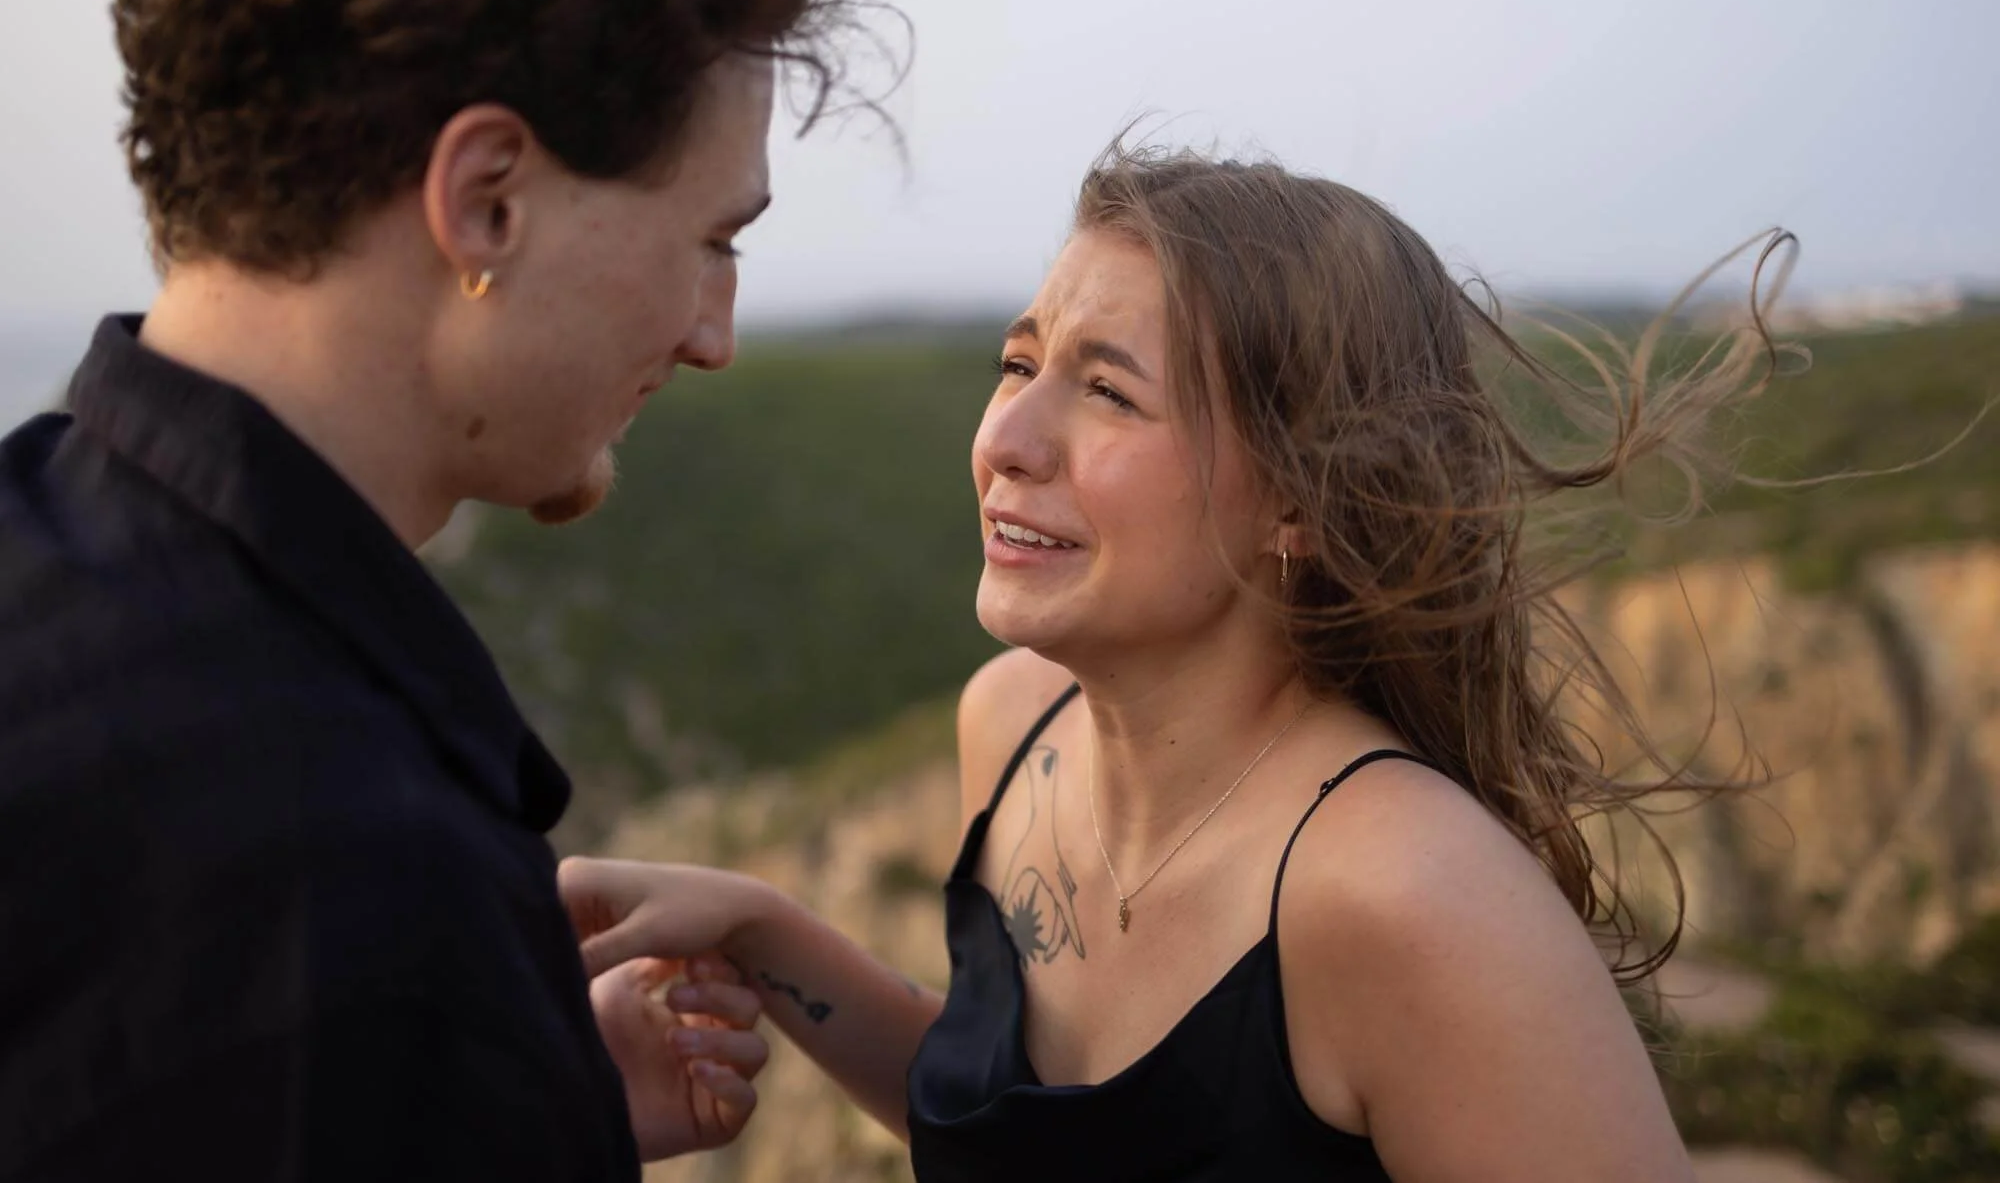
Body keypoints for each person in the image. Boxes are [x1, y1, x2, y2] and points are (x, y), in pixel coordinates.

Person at [560, 142, 1797, 1180]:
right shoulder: (1013, 725)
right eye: (1016, 363)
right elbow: (1043, 1139)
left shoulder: (1408, 898)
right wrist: (762, 931)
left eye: (1107, 392)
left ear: (1300, 501)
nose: (1006, 440)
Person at [0, 0, 910, 1176]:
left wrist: (537, 1093)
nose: (714, 335)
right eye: (714, 238)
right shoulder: (359, 891)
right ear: (488, 198)